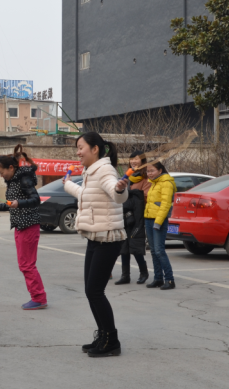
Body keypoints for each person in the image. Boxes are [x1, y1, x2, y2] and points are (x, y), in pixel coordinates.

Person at [63, 132, 129, 357]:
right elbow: (86, 195)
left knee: (95, 291)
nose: (78, 152)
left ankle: (111, 341)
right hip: (95, 237)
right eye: (77, 148)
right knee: (91, 291)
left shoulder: (105, 170)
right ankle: (103, 336)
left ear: (95, 149)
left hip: (107, 238)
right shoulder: (91, 171)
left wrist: (120, 189)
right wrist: (67, 185)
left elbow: (116, 193)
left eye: (80, 147)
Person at [0, 145, 47, 310]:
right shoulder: (13, 180)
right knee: (24, 264)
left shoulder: (24, 178)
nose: (1, 176)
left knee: (27, 264)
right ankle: (38, 297)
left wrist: (19, 203)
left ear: (11, 167)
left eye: (1, 172)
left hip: (28, 224)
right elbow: (12, 203)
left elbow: (36, 200)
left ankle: (39, 298)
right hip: (20, 225)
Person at [114, 151, 149, 285]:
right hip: (124, 215)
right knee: (124, 247)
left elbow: (144, 197)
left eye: (136, 159)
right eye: (132, 159)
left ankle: (143, 272)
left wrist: (130, 194)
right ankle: (125, 275)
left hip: (137, 217)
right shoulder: (127, 176)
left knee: (135, 246)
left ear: (142, 161)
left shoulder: (145, 177)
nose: (133, 161)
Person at [143, 161, 176, 290]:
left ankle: (169, 280)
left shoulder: (166, 183)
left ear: (160, 170)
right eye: (148, 171)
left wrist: (158, 222)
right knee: (153, 251)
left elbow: (165, 204)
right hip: (149, 219)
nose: (149, 173)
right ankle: (158, 278)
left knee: (159, 251)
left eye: (152, 171)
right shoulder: (154, 183)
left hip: (158, 221)